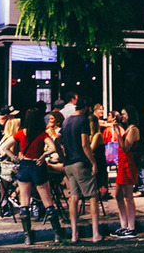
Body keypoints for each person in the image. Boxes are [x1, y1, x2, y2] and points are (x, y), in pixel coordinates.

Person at [0, 108, 65, 245]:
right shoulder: (42, 134)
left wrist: (14, 158)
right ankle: (57, 234)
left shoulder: (21, 133)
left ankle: (28, 237)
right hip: (38, 166)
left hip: (24, 166)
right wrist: (43, 155)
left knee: (24, 202)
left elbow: (5, 147)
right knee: (47, 201)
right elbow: (53, 148)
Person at [61, 101, 101, 244]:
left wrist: (63, 158)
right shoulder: (83, 120)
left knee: (74, 197)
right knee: (93, 196)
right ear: (85, 107)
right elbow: (85, 144)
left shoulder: (65, 121)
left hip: (69, 164)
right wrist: (93, 162)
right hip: (80, 162)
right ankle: (95, 234)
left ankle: (74, 234)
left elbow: (59, 141)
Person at [112, 106, 140, 239]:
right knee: (118, 195)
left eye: (124, 114)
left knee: (128, 196)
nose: (122, 116)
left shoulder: (133, 129)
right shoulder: (128, 129)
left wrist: (118, 133)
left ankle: (131, 227)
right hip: (123, 164)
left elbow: (125, 147)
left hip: (128, 164)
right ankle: (124, 225)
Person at [90, 104, 110, 200]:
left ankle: (101, 192)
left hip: (99, 160)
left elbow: (92, 148)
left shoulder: (97, 135)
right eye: (100, 109)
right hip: (97, 160)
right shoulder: (94, 135)